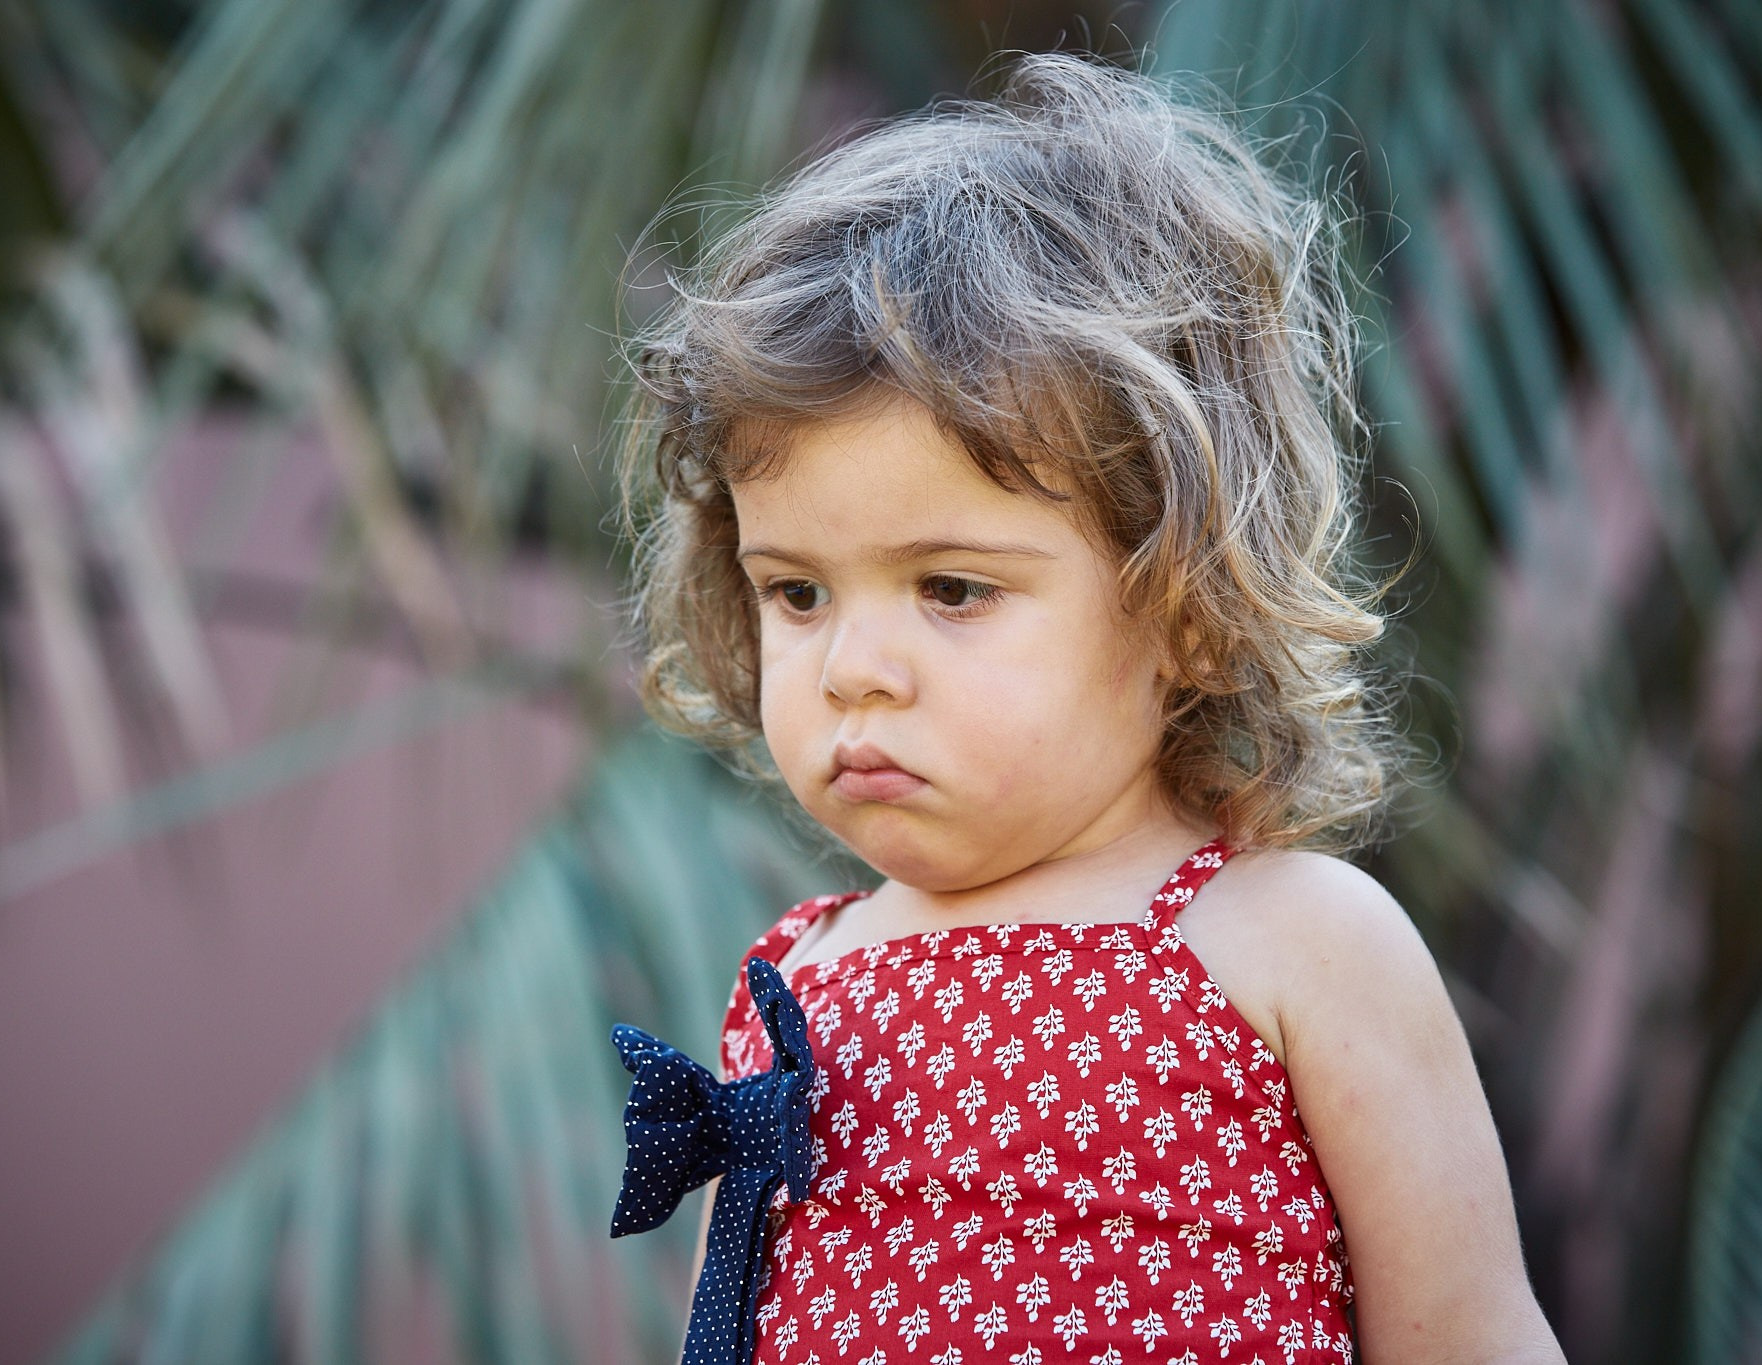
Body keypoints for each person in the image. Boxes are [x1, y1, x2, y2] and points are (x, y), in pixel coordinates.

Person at [610, 51, 1566, 1365]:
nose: (851, 668)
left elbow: (1472, 1337)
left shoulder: (1290, 942)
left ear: (1181, 598)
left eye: (950, 586)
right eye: (797, 592)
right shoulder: (797, 981)